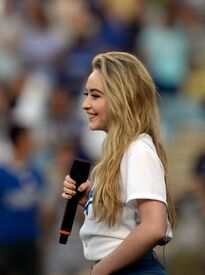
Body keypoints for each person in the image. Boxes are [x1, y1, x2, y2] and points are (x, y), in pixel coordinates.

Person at [62, 51, 176, 274]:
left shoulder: (138, 150)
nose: (85, 104)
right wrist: (87, 201)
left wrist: (100, 270)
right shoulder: (119, 152)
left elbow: (154, 227)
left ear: (121, 97)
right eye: (86, 94)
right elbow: (117, 231)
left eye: (95, 95)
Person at [0, 124, 46, 275]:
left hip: (29, 238)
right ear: (19, 140)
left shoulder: (36, 173)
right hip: (6, 239)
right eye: (28, 138)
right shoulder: (3, 173)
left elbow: (41, 208)